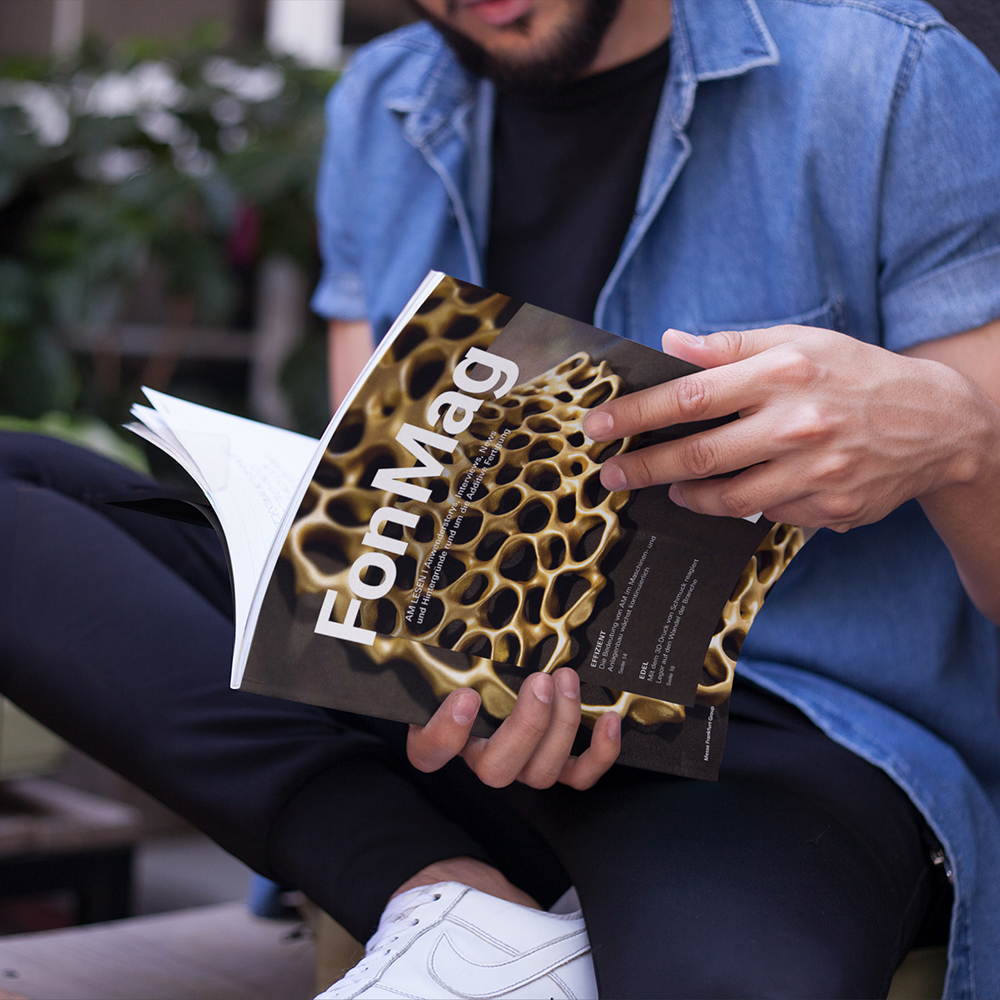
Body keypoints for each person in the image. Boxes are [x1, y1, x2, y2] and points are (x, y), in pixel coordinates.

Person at [1, 1, 998, 997]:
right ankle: (441, 894)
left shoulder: (888, 78)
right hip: (452, 708)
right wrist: (398, 645)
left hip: (780, 746)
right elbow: (369, 479)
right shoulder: (383, 100)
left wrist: (960, 438)